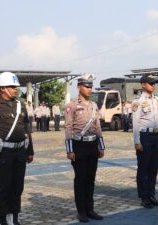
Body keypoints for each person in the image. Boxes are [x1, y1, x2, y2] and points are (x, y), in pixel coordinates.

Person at [0, 72, 34, 225]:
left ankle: (14, 217)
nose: (15, 89)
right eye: (12, 87)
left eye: (16, 86)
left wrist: (30, 151)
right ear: (2, 88)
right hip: (3, 153)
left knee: (18, 186)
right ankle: (3, 219)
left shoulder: (21, 104)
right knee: (3, 188)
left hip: (20, 152)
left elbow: (27, 129)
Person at [64, 74, 105, 223]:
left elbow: (98, 127)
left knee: (91, 178)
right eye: (86, 86)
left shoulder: (94, 106)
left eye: (90, 86)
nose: (89, 89)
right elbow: (68, 128)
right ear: (79, 87)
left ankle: (90, 209)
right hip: (79, 146)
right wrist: (69, 150)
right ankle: (81, 211)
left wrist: (101, 146)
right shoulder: (71, 105)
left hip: (93, 145)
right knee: (80, 179)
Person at [132, 74, 158, 209]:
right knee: (143, 168)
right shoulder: (137, 102)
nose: (153, 85)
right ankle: (144, 197)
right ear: (143, 85)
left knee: (153, 168)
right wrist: (137, 141)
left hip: (156, 136)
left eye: (154, 83)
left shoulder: (157, 100)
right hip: (144, 136)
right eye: (151, 83)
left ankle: (152, 195)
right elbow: (135, 122)